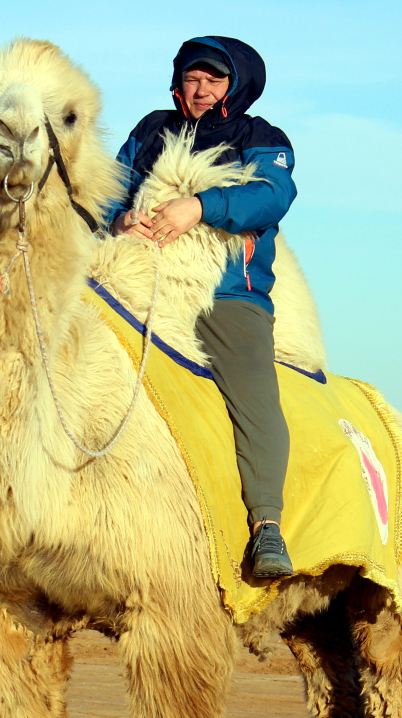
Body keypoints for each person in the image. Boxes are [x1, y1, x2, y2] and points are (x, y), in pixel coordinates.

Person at [106, 36, 297, 580]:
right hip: (138, 276)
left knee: (254, 397)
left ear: (236, 86)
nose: (200, 90)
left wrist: (201, 206)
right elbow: (107, 191)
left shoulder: (262, 138)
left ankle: (267, 526)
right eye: (192, 78)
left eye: (214, 80)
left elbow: (272, 195)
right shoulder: (150, 130)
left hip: (224, 291)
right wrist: (118, 219)